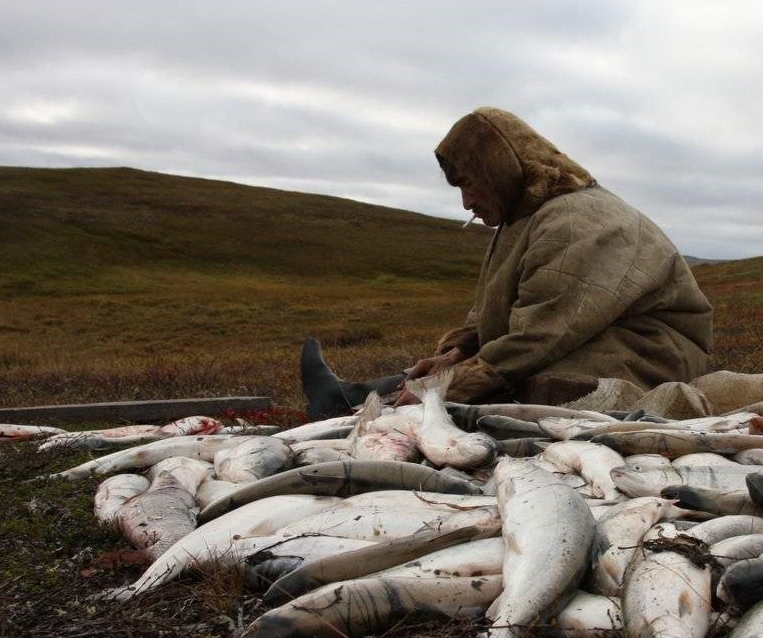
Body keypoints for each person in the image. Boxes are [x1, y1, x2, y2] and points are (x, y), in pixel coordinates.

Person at [301, 107, 713, 419]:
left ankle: (371, 402)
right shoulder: (525, 217)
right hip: (587, 340)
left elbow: (543, 335)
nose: (466, 202)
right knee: (484, 381)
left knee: (535, 391)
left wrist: (450, 387)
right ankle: (358, 396)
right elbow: (494, 313)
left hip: (647, 353)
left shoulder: (576, 221)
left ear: (498, 170)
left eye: (468, 183)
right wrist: (455, 355)